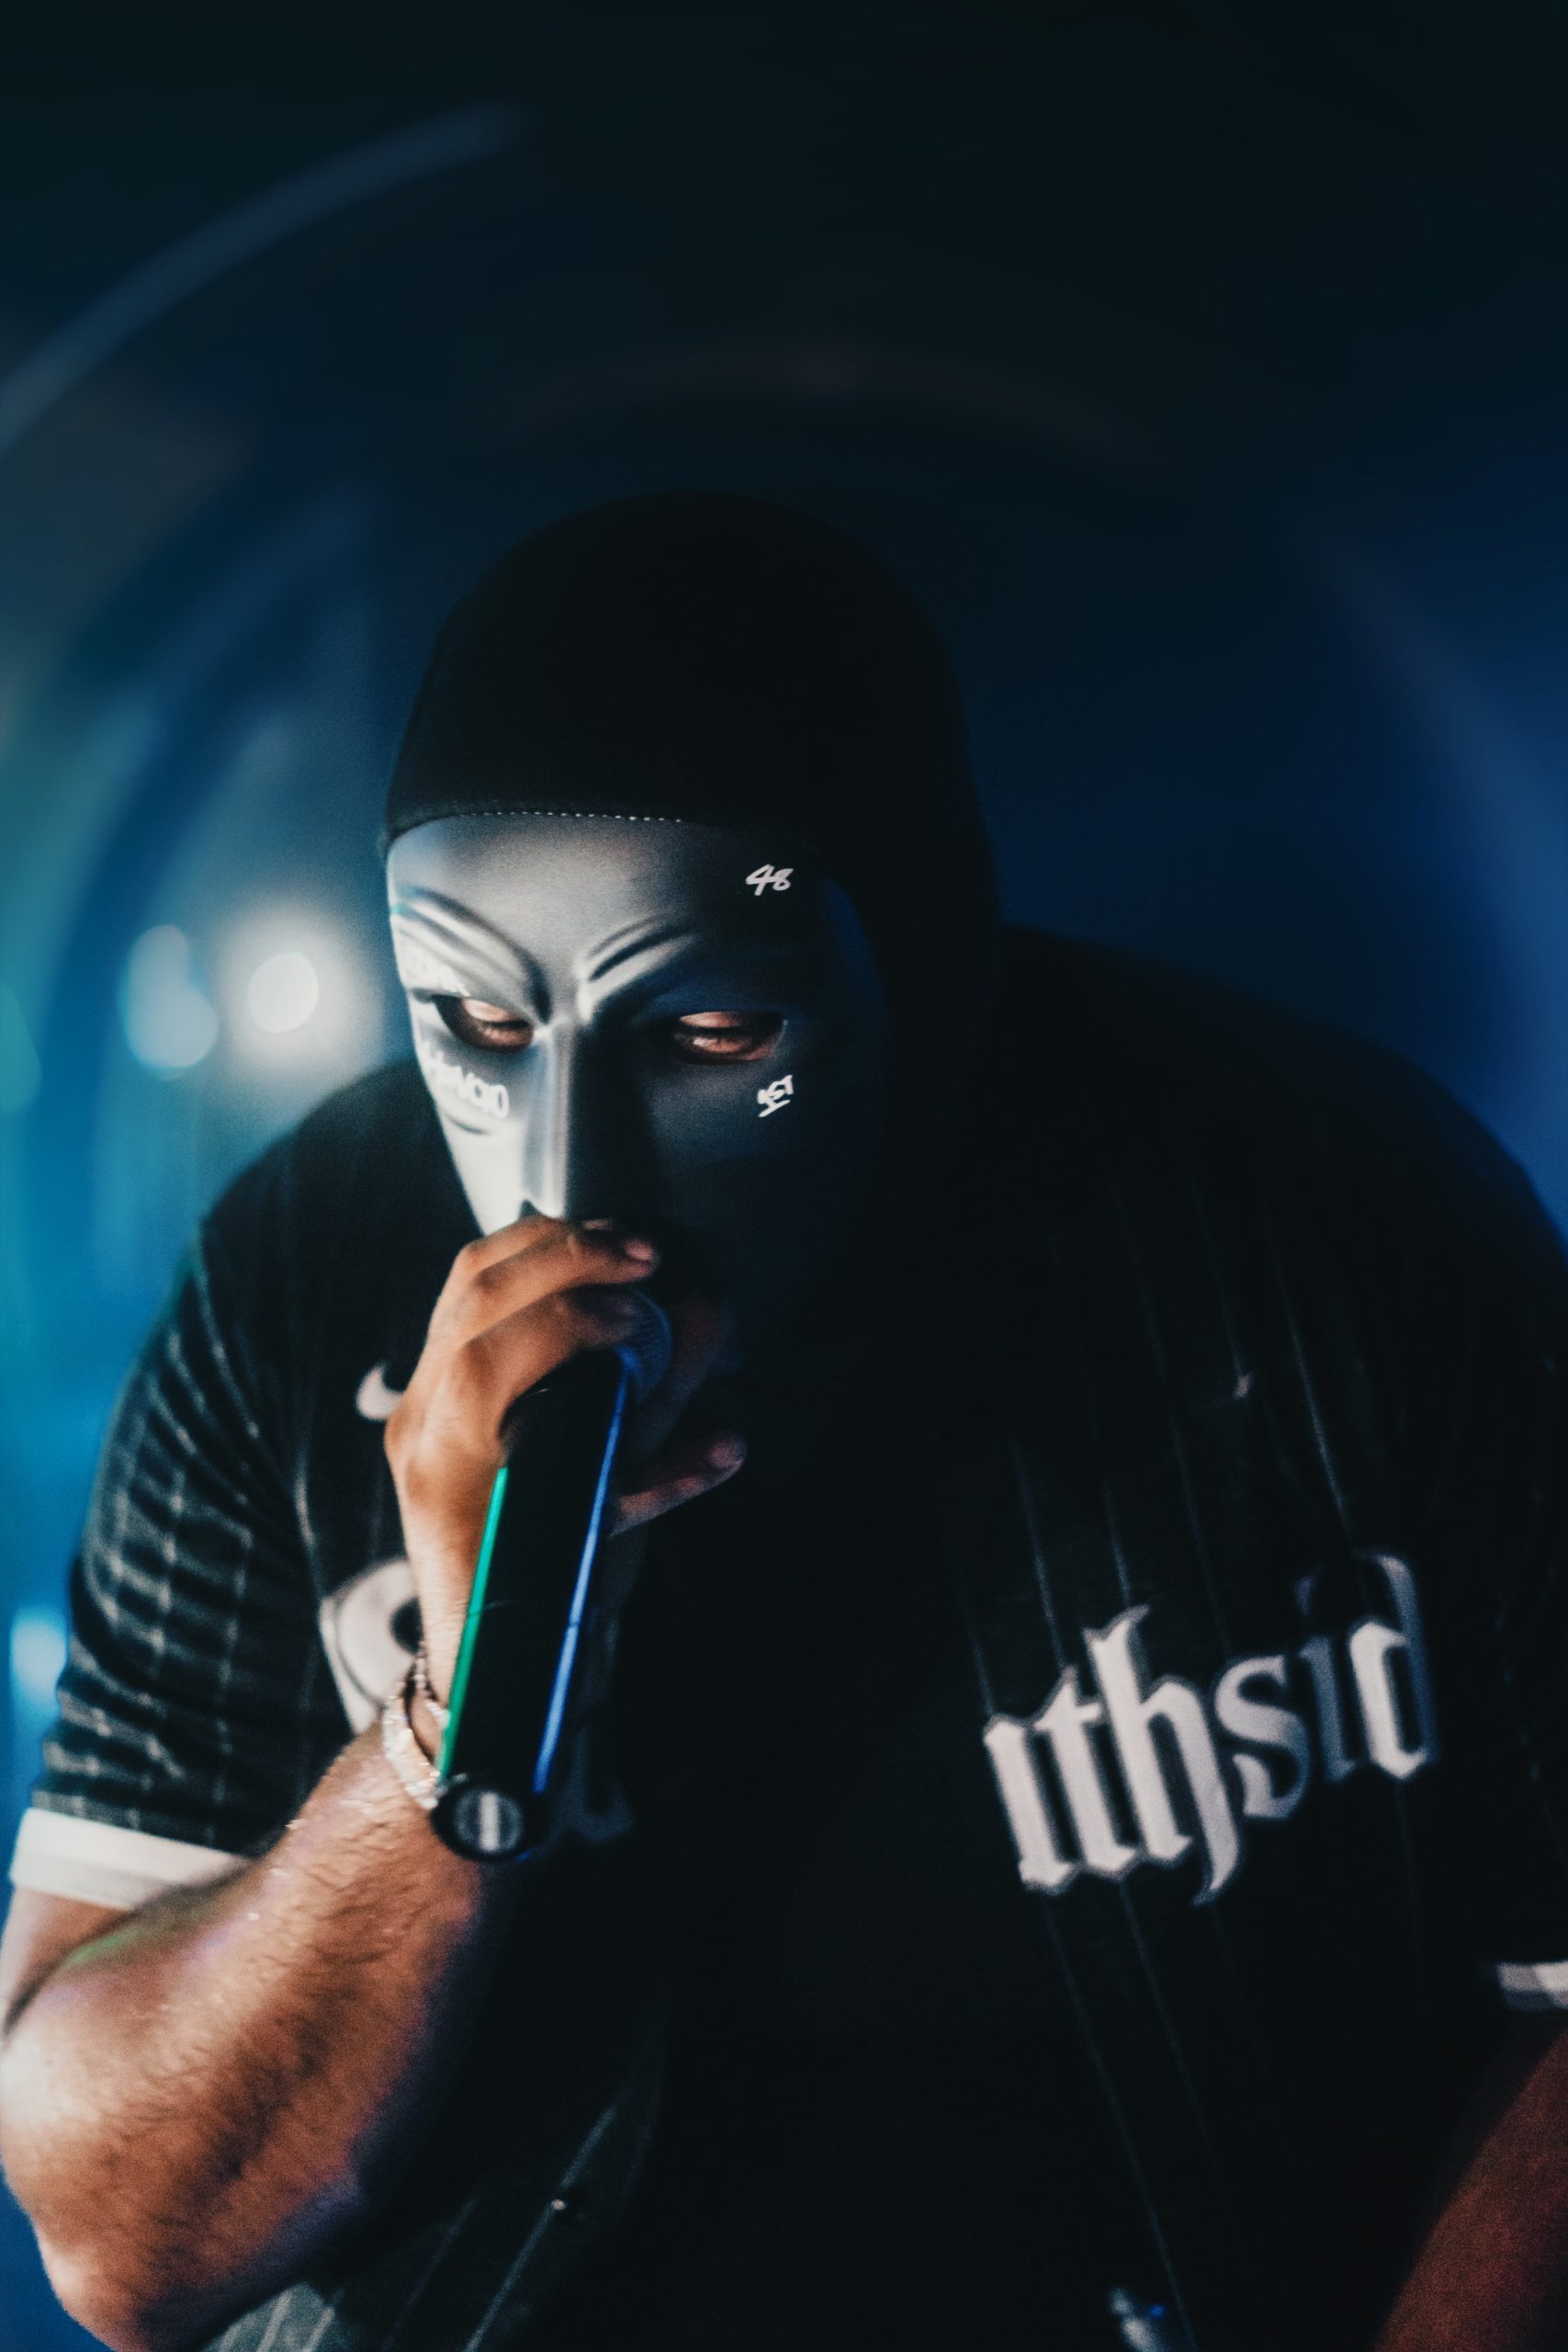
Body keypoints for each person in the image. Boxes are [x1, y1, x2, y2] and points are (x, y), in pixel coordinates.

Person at [0, 495, 1564, 2352]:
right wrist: (450, 1709)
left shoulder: (1331, 1223)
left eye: (712, 1033)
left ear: (925, 954)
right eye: (475, 1023)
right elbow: (122, 2239)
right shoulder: (299, 1272)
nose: (571, 1175)